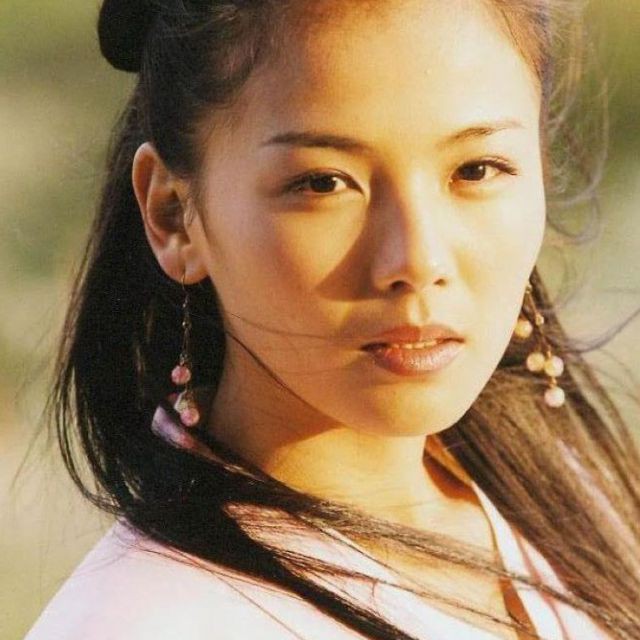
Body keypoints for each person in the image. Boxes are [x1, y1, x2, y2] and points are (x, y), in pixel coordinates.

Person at [24, 0, 640, 638]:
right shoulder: (150, 622)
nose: (419, 260)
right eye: (323, 183)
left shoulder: (574, 508)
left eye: (476, 170)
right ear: (174, 216)